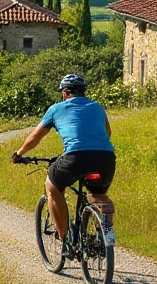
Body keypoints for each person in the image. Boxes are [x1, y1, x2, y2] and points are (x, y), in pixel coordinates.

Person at [12, 73, 116, 253]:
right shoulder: (97, 107)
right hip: (105, 158)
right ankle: (105, 237)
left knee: (52, 188)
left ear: (66, 92)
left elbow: (35, 137)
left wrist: (19, 153)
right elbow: (107, 133)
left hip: (75, 158)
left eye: (62, 92)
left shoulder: (56, 109)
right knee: (100, 197)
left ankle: (66, 240)